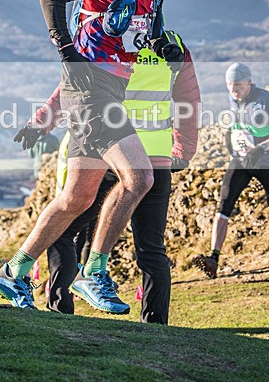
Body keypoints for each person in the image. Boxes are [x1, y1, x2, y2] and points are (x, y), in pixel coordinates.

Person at [0, 0, 185, 314]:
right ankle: (94, 272)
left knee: (76, 199)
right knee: (139, 178)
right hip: (89, 90)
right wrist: (67, 51)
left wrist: (162, 46)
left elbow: (148, 32)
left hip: (110, 91)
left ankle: (13, 271)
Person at [19, 29, 199, 323]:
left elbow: (75, 90)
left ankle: (60, 309)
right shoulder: (176, 45)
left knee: (65, 230)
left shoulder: (108, 40)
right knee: (151, 247)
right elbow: (189, 101)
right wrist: (184, 149)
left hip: (111, 153)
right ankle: (155, 325)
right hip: (155, 155)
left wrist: (41, 122)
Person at [193, 63, 269, 279]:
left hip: (264, 160)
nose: (233, 89)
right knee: (223, 206)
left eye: (237, 84)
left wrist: (261, 148)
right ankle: (214, 258)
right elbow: (238, 123)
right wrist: (230, 140)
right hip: (240, 160)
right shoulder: (233, 98)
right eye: (229, 84)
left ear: (249, 82)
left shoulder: (265, 99)